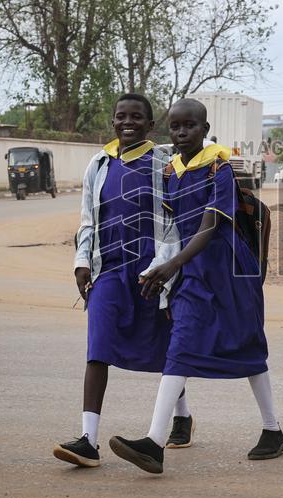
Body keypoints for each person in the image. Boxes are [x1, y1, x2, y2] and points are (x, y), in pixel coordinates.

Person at [108, 98, 283, 474]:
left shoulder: (219, 168)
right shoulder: (171, 171)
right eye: (175, 126)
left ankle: (273, 430)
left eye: (190, 126)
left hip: (229, 268)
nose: (181, 133)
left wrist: (173, 264)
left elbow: (209, 226)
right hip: (192, 271)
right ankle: (155, 442)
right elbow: (172, 228)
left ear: (205, 131)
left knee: (248, 343)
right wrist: (162, 267)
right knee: (181, 342)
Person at [53, 93, 194, 468]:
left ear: (150, 125)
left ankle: (181, 416)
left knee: (167, 344)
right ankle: (88, 439)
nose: (127, 122)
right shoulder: (98, 165)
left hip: (153, 268)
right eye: (120, 117)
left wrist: (167, 268)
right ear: (112, 122)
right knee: (98, 345)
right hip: (109, 269)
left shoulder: (166, 163)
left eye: (136, 117)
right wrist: (81, 261)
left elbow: (177, 222)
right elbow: (87, 220)